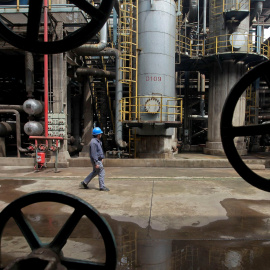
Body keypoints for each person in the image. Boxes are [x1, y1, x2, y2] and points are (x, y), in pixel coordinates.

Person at [79, 127, 110, 191]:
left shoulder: (97, 141)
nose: (101, 135)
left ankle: (84, 183)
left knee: (95, 172)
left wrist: (101, 158)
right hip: (96, 160)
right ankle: (102, 187)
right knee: (101, 172)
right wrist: (96, 163)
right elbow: (94, 154)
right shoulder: (94, 142)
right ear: (98, 135)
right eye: (100, 134)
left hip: (98, 159)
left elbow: (99, 151)